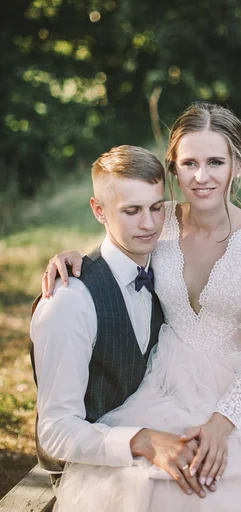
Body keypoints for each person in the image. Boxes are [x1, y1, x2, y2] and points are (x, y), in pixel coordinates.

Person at [43, 102, 241, 511]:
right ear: (173, 168)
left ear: (237, 165)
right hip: (162, 381)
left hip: (235, 390)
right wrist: (70, 256)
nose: (201, 177)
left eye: (215, 162)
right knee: (149, 484)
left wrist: (221, 424)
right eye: (189, 163)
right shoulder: (159, 219)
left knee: (231, 487)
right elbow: (117, 239)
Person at [31, 144, 216, 504]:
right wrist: (141, 441)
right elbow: (54, 432)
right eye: (131, 211)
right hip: (87, 466)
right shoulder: (70, 301)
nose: (148, 224)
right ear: (99, 210)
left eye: (156, 207)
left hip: (157, 423)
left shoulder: (163, 267)